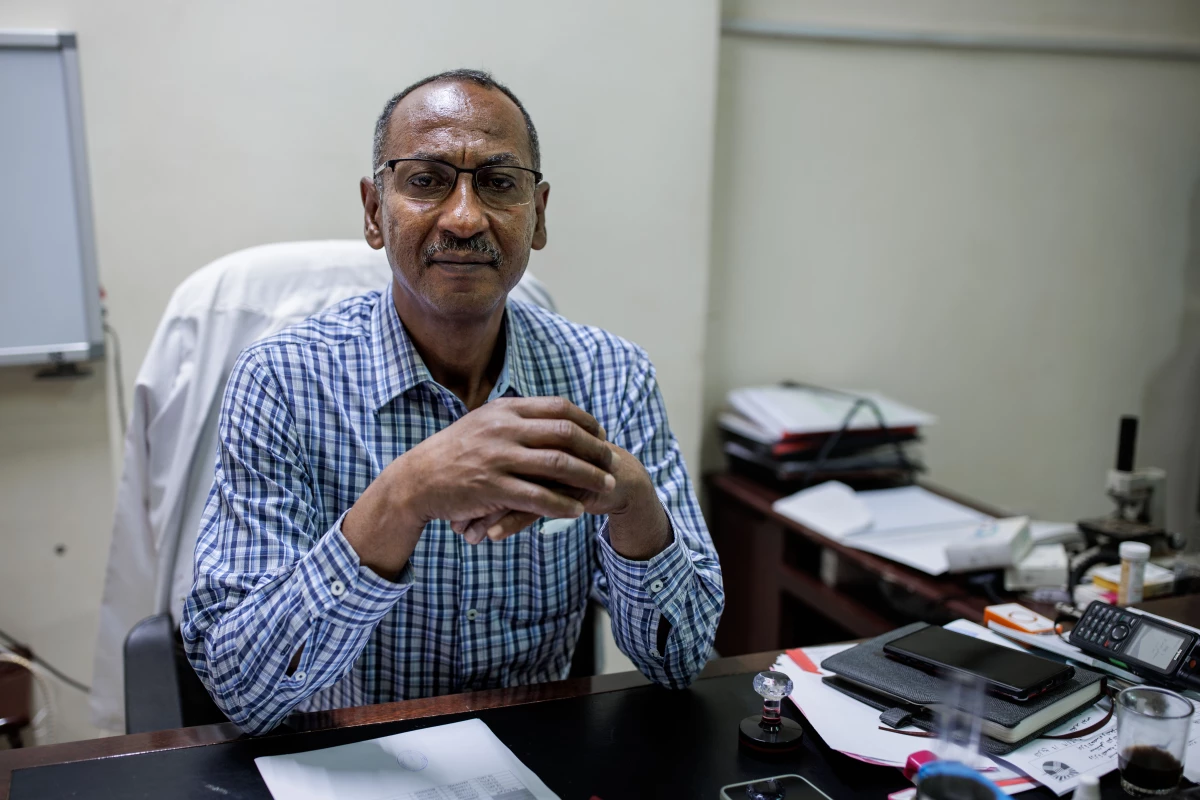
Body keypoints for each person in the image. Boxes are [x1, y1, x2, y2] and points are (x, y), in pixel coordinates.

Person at [181, 69, 724, 734]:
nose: (465, 217)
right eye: (426, 180)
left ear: (539, 214)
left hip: (539, 758)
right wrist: (402, 496)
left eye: (498, 183)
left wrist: (633, 501)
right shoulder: (282, 381)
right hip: (356, 760)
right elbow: (240, 689)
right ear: (374, 212)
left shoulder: (611, 376)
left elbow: (682, 661)